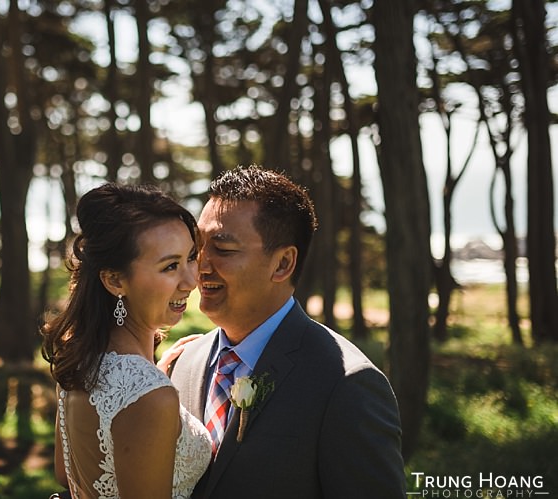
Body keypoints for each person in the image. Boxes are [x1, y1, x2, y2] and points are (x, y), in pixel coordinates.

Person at [165, 166, 403, 498]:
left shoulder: (347, 385)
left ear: (282, 264)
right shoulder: (184, 363)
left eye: (223, 249)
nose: (201, 265)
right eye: (197, 247)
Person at [40, 183, 211, 499]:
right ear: (115, 280)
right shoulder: (150, 396)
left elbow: (68, 475)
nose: (191, 280)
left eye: (190, 257)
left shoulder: (81, 361)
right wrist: (151, 384)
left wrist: (157, 370)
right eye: (170, 266)